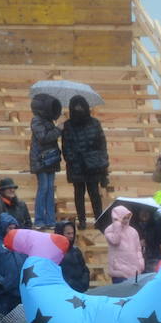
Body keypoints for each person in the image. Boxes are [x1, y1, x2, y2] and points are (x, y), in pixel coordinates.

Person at [61, 95, 109, 229]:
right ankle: (82, 220)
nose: (78, 109)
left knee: (94, 193)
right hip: (76, 165)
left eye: (80, 106)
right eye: (76, 106)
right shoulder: (68, 125)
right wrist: (72, 158)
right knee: (79, 194)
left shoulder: (94, 123)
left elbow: (102, 144)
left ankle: (99, 219)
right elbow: (66, 146)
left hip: (93, 165)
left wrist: (102, 163)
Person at [28, 93, 62, 228]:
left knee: (49, 189)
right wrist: (58, 129)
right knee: (44, 188)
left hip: (50, 159)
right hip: (40, 160)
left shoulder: (48, 121)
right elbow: (43, 137)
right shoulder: (36, 120)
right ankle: (39, 220)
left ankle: (50, 220)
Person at [102, 204, 144, 284]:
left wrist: (141, 262)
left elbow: (138, 249)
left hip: (134, 269)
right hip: (119, 271)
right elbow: (115, 241)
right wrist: (117, 227)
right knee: (120, 294)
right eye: (124, 218)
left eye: (128, 217)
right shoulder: (109, 230)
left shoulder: (133, 231)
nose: (126, 220)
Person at [53, 220, 90, 292]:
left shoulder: (76, 251)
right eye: (68, 233)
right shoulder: (54, 253)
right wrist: (70, 284)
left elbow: (84, 269)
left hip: (80, 288)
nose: (71, 236)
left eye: (73, 233)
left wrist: (84, 282)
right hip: (63, 290)